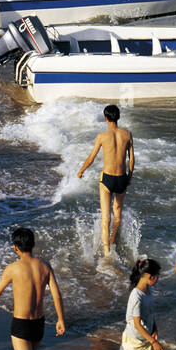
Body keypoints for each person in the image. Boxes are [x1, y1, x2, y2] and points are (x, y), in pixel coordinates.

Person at [0, 228, 66, 350]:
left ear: (15, 247)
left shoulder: (12, 268)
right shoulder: (45, 266)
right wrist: (60, 319)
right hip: (39, 323)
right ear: (33, 244)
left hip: (21, 324)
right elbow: (56, 295)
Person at [77, 104, 134, 256]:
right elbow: (131, 159)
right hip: (122, 178)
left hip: (107, 178)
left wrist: (81, 171)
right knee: (118, 214)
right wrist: (129, 176)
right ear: (118, 117)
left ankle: (107, 252)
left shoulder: (102, 136)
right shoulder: (127, 134)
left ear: (105, 118)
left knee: (106, 217)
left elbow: (91, 158)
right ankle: (113, 240)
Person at [122, 257, 165, 350]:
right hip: (133, 342)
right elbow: (137, 324)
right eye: (157, 276)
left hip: (146, 338)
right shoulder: (136, 296)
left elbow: (150, 312)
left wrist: (155, 329)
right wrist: (153, 342)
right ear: (150, 277)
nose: (158, 279)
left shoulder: (148, 289)